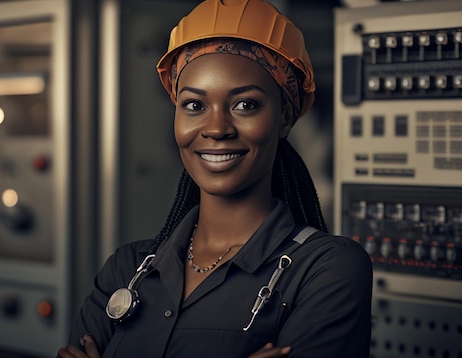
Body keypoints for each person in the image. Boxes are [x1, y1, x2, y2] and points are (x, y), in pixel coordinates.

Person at [57, 0, 372, 357]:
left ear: (285, 117)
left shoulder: (327, 269)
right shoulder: (127, 269)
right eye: (194, 105)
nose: (217, 128)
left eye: (245, 104)